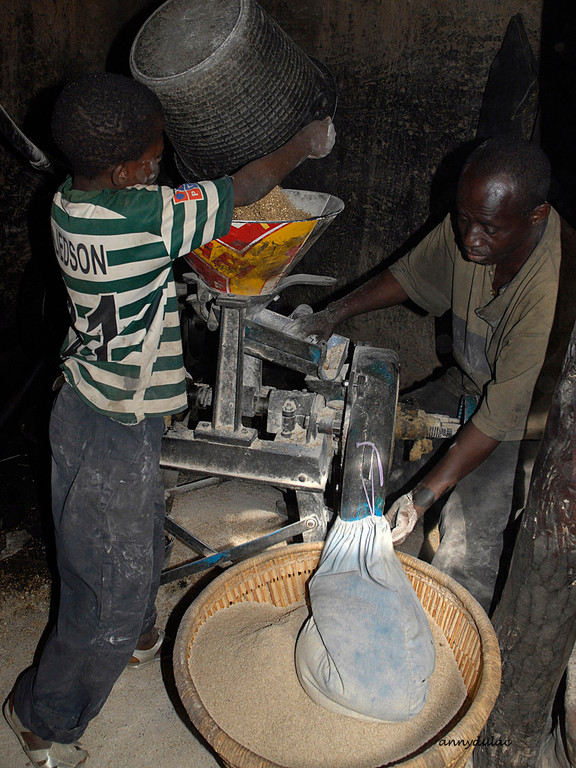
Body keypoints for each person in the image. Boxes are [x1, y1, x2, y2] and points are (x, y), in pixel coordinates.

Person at [3, 71, 335, 768]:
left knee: (131, 527)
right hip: (112, 424)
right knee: (105, 595)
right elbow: (244, 189)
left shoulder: (69, 200)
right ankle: (42, 715)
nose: (163, 156)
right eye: (156, 149)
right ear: (127, 167)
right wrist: (303, 144)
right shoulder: (148, 216)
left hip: (90, 400)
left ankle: (141, 630)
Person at [288, 136, 560, 614]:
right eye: (463, 219)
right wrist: (334, 314)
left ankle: (455, 642)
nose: (470, 238)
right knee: (371, 460)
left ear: (535, 215)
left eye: (488, 229)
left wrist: (424, 495)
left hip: (529, 419)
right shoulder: (474, 225)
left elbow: (498, 420)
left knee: (467, 541)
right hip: (466, 383)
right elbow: (411, 277)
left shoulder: (550, 287)